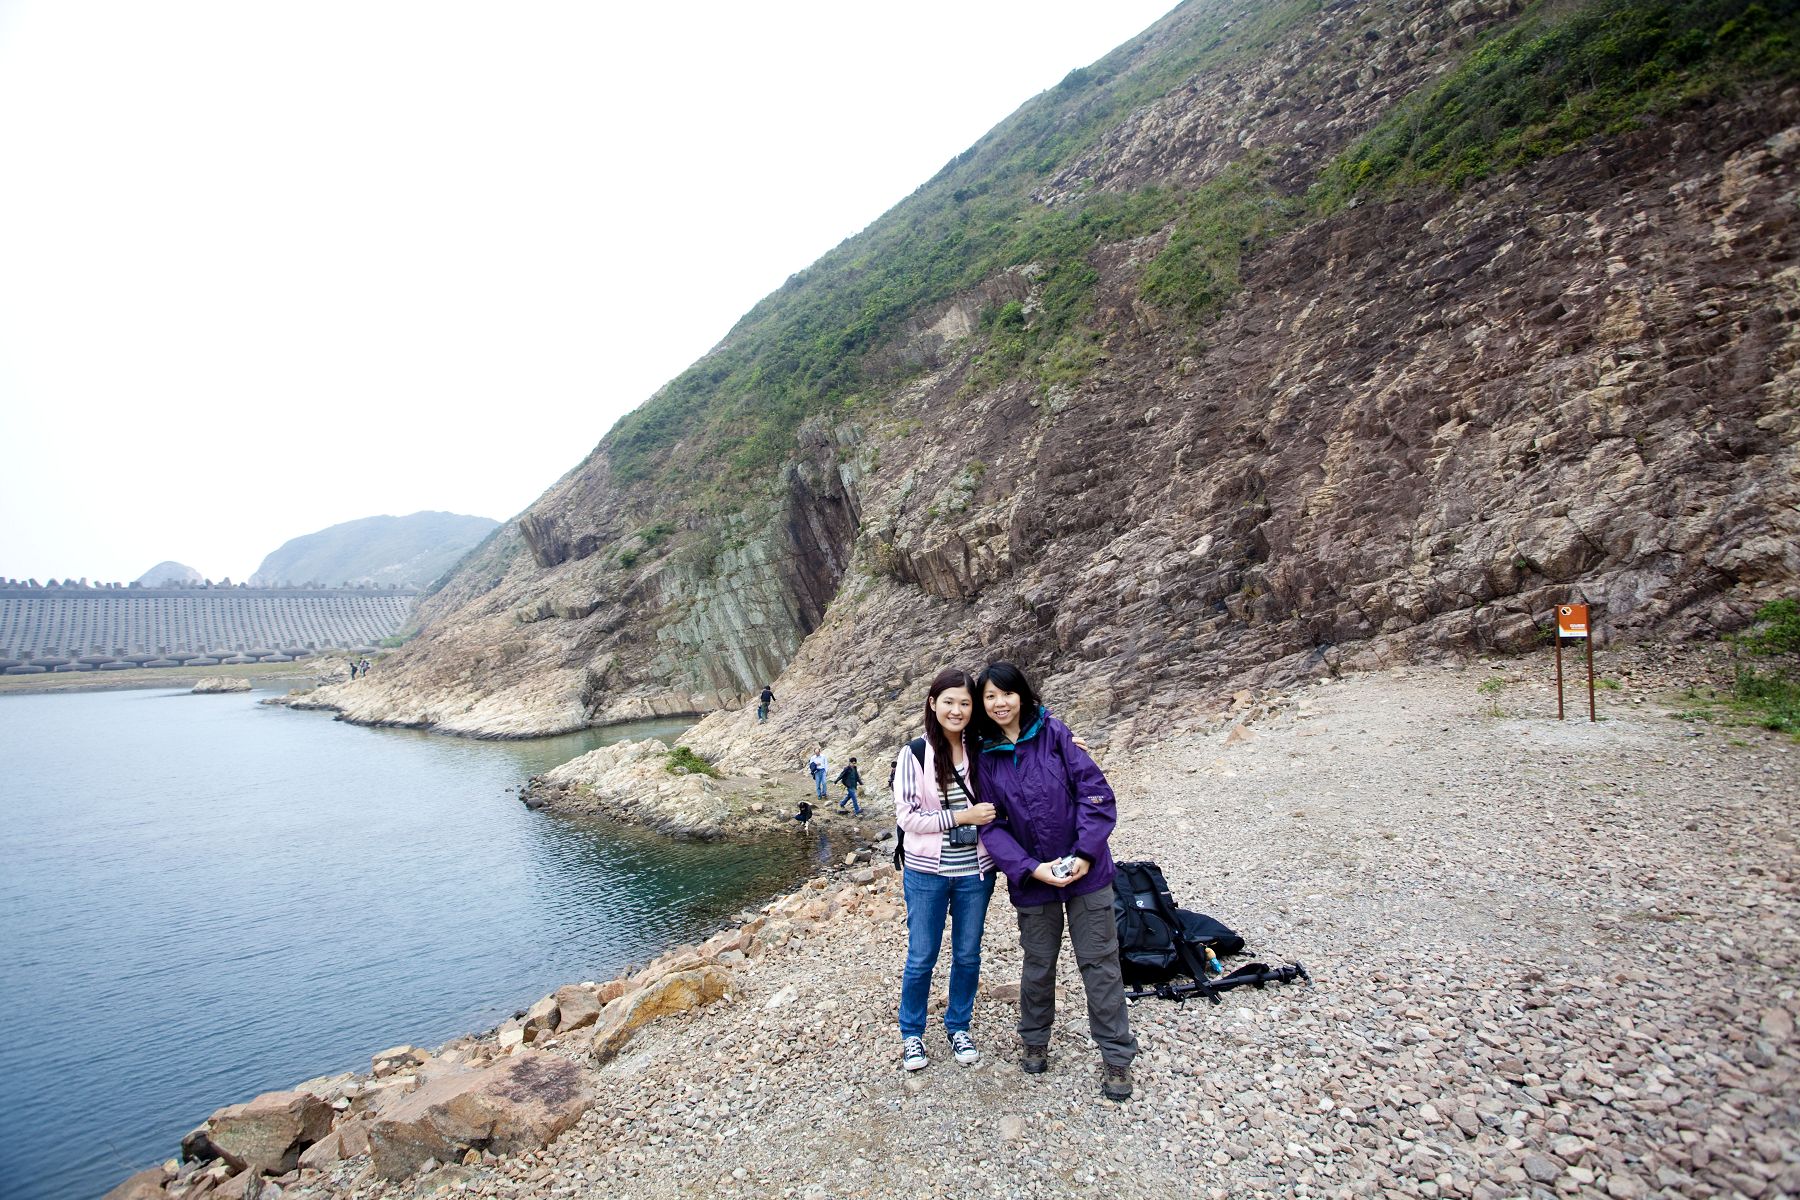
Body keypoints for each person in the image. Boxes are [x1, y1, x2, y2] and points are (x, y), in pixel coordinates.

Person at [972, 660, 1138, 1102]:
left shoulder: (1055, 733)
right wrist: (1030, 867)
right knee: (1039, 962)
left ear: (1022, 694)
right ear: (982, 704)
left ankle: (1116, 1056)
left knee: (1099, 962)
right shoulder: (984, 757)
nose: (1000, 703)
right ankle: (1034, 1039)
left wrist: (1085, 853)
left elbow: (1095, 793)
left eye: (1006, 693)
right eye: (990, 696)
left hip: (1088, 872)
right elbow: (992, 827)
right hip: (1033, 880)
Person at [892, 668, 996, 1072]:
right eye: (949, 701)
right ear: (933, 703)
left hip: (975, 872)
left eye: (965, 703)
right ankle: (912, 1033)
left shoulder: (982, 748)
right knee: (922, 956)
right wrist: (962, 816)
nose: (956, 710)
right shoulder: (915, 753)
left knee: (968, 954)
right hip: (926, 873)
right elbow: (907, 818)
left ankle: (958, 1025)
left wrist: (1067, 745)